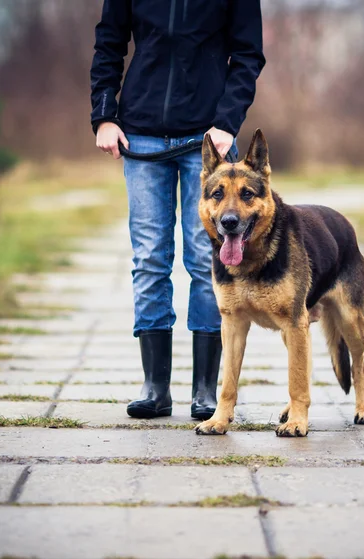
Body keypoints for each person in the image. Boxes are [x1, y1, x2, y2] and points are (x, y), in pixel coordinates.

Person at [90, 0, 265, 420]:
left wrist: (226, 123)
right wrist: (103, 116)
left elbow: (247, 55)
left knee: (208, 259)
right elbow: (109, 43)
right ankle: (155, 387)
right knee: (150, 257)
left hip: (207, 140)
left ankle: (207, 390)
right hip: (141, 135)